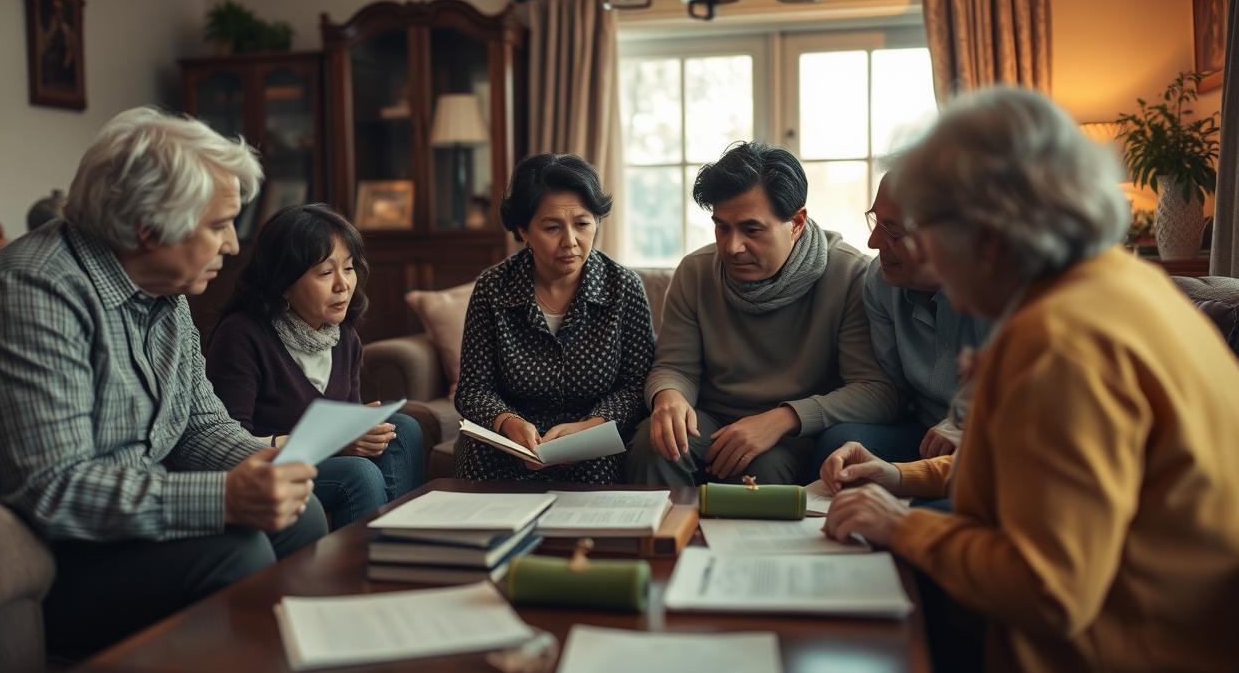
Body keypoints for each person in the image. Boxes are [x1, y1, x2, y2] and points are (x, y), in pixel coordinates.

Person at [820, 87, 1239, 673]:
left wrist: (904, 527)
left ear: (987, 237)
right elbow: (1047, 484)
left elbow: (1050, 590)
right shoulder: (1124, 287)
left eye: (926, 228)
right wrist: (902, 476)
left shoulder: (1060, 344)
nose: (908, 249)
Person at [0, 107, 326, 655]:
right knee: (237, 552)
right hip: (35, 550)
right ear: (147, 228)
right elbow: (53, 488)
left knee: (303, 513)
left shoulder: (164, 289)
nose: (231, 245)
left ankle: (291, 667)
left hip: (118, 524)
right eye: (218, 224)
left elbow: (198, 425)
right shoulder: (29, 296)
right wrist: (225, 497)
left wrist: (261, 463)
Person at [624, 141, 897, 487]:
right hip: (709, 419)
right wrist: (669, 398)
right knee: (657, 443)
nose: (732, 247)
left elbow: (876, 391)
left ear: (797, 222)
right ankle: (661, 541)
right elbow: (675, 367)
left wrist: (784, 418)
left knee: (765, 470)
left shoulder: (850, 274)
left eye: (752, 230)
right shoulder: (694, 272)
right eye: (722, 227)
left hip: (791, 434)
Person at [206, 204, 424, 526]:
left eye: (348, 269)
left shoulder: (344, 337)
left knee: (404, 428)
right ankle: (358, 565)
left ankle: (399, 543)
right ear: (283, 282)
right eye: (325, 273)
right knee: (359, 473)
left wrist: (358, 431)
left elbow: (347, 421)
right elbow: (227, 441)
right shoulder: (242, 335)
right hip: (269, 466)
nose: (343, 285)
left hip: (328, 459)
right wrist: (335, 443)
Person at [454, 153, 655, 483]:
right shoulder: (493, 287)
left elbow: (636, 386)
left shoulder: (622, 287)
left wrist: (591, 427)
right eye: (552, 227)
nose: (571, 242)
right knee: (482, 467)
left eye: (583, 224)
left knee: (597, 478)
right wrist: (508, 422)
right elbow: (473, 390)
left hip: (593, 438)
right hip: (507, 441)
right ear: (524, 231)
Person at [811, 175, 991, 475]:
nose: (872, 242)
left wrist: (966, 424)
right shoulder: (879, 282)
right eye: (876, 222)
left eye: (892, 231)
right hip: (922, 432)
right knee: (841, 444)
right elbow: (892, 391)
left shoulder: (1002, 290)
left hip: (995, 432)